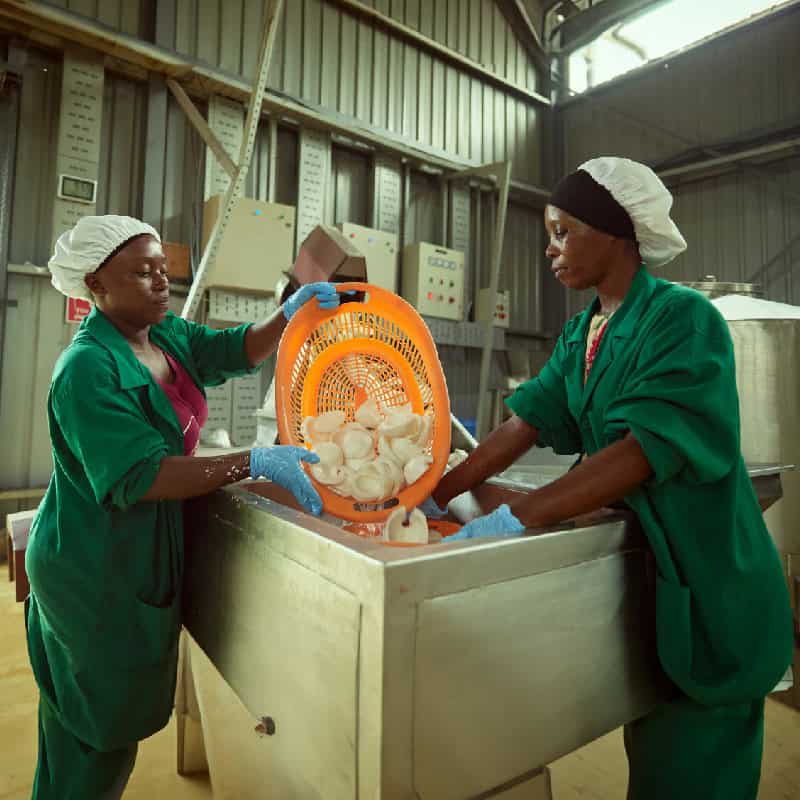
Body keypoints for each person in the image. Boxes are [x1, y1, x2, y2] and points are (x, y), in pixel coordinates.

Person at [428, 158, 794, 800]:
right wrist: (439, 489)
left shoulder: (683, 319)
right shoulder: (584, 333)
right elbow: (524, 423)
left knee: (697, 771)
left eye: (564, 231)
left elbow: (638, 453)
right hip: (657, 585)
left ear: (617, 233)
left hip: (708, 579)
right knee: (657, 763)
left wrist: (518, 515)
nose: (550, 247)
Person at [25, 215, 341, 799]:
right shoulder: (87, 368)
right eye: (141, 273)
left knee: (99, 729)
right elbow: (141, 474)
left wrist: (286, 315)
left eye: (162, 269)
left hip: (136, 553)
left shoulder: (161, 334)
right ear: (96, 285)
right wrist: (253, 461)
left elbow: (229, 350)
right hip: (94, 567)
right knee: (93, 737)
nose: (160, 282)